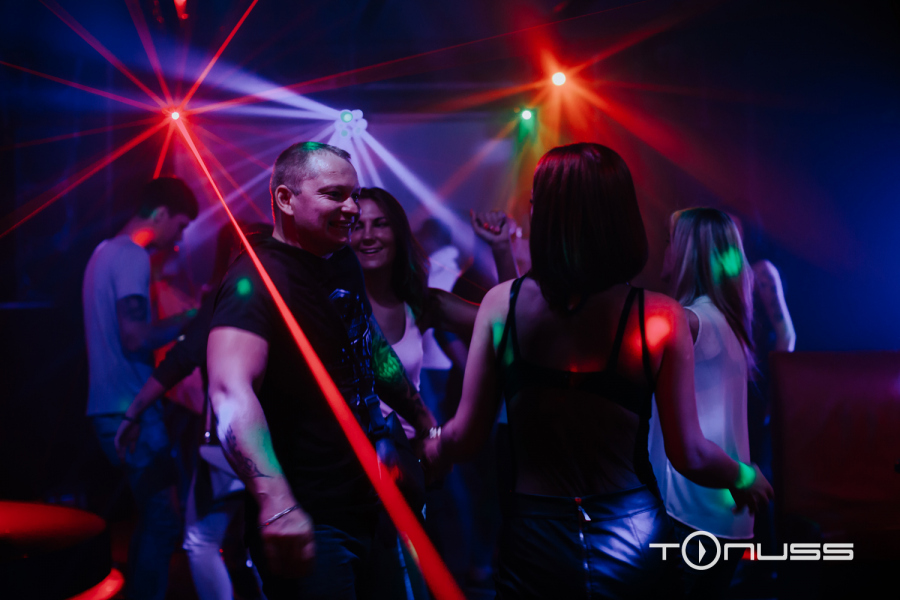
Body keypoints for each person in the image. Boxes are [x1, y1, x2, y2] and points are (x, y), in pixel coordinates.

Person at [424, 143, 773, 599]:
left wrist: (431, 445)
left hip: (535, 533)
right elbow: (689, 453)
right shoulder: (660, 316)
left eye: (536, 201)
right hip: (632, 532)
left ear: (547, 214)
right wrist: (744, 476)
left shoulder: (501, 304)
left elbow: (467, 437)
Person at [206, 142, 438, 600]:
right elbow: (230, 391)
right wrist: (276, 502)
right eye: (335, 195)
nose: (351, 208)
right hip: (312, 518)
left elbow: (370, 347)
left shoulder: (341, 261)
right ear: (286, 199)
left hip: (371, 503)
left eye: (354, 195)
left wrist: (424, 422)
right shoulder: (256, 279)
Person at [349, 187, 515, 596]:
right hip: (344, 474)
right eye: (356, 225)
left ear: (398, 233)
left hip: (408, 469)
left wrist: (500, 250)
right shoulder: (329, 302)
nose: (367, 235)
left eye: (379, 224)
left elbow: (511, 322)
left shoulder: (420, 303)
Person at [115, 223, 271, 600]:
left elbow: (180, 360)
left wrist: (133, 412)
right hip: (277, 443)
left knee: (202, 539)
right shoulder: (287, 300)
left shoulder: (227, 298)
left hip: (232, 442)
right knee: (266, 537)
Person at [83, 176, 199, 600]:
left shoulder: (103, 251)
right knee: (164, 519)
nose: (179, 238)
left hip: (110, 405)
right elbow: (135, 336)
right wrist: (195, 316)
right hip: (130, 409)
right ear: (161, 214)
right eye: (181, 226)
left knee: (152, 517)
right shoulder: (132, 255)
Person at [648, 207, 763, 597]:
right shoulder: (724, 320)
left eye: (669, 241)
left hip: (691, 518)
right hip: (721, 515)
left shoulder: (690, 321)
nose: (662, 250)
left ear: (686, 253)